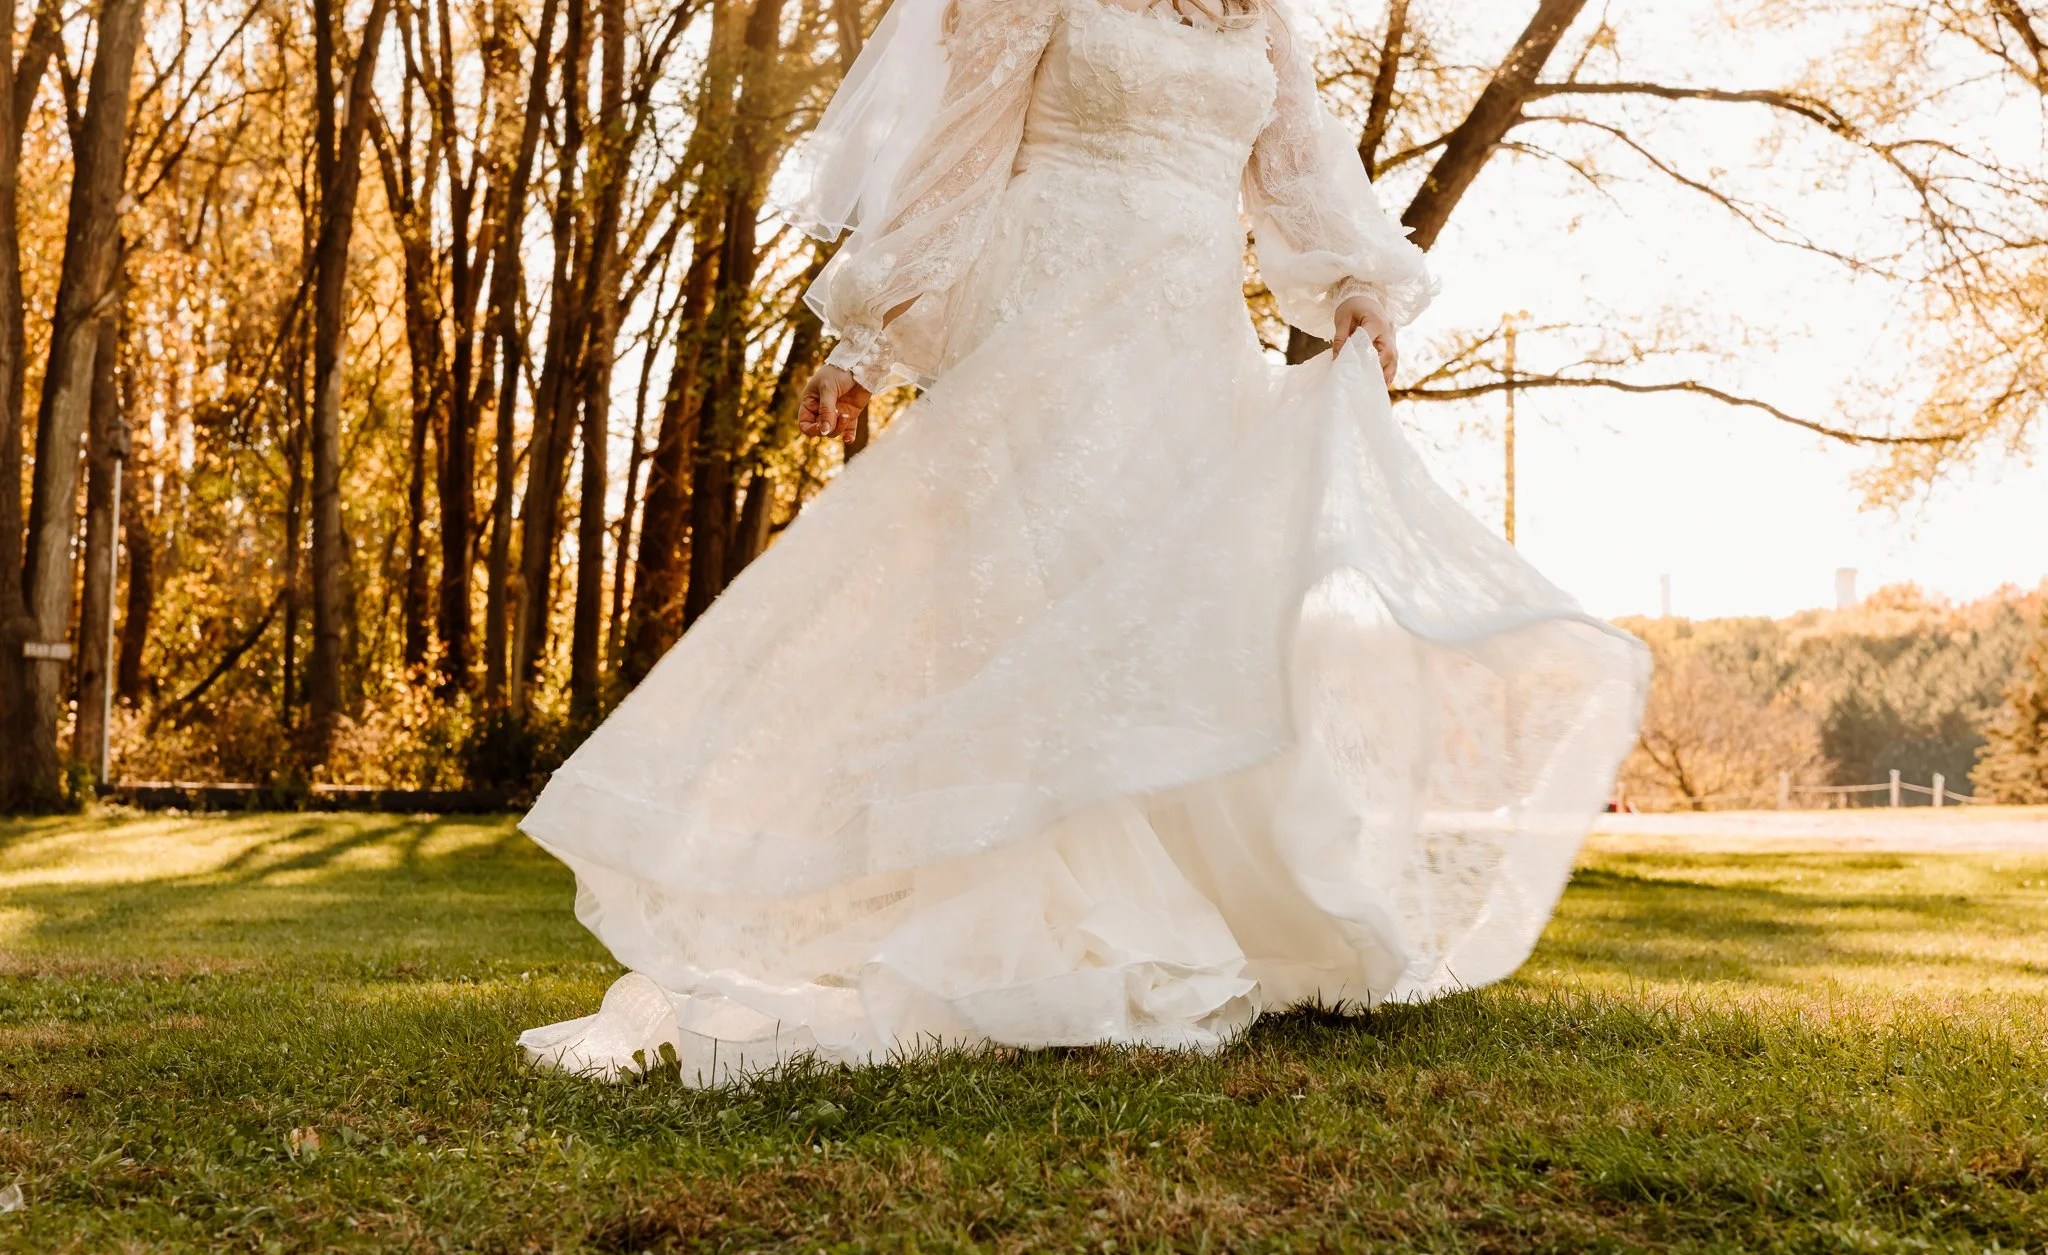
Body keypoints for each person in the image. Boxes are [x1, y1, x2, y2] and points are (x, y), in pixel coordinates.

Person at [517, 0, 1649, 1083]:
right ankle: (1037, 935)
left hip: (1192, 348)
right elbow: (954, 159)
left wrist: (1357, 286)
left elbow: (1298, 165)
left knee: (1176, 619)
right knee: (1036, 606)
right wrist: (862, 336)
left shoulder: (1251, 13)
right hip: (1045, 328)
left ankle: (1207, 914)